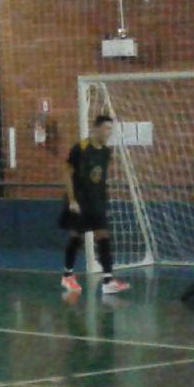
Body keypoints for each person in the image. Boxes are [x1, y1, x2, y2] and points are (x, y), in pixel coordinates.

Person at [61, 113, 128, 295]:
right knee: (76, 237)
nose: (108, 132)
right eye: (106, 128)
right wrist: (72, 200)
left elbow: (99, 177)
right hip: (79, 200)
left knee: (103, 235)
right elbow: (67, 172)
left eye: (111, 129)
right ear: (96, 128)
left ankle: (108, 280)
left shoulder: (106, 151)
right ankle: (67, 275)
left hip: (96, 201)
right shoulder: (80, 148)